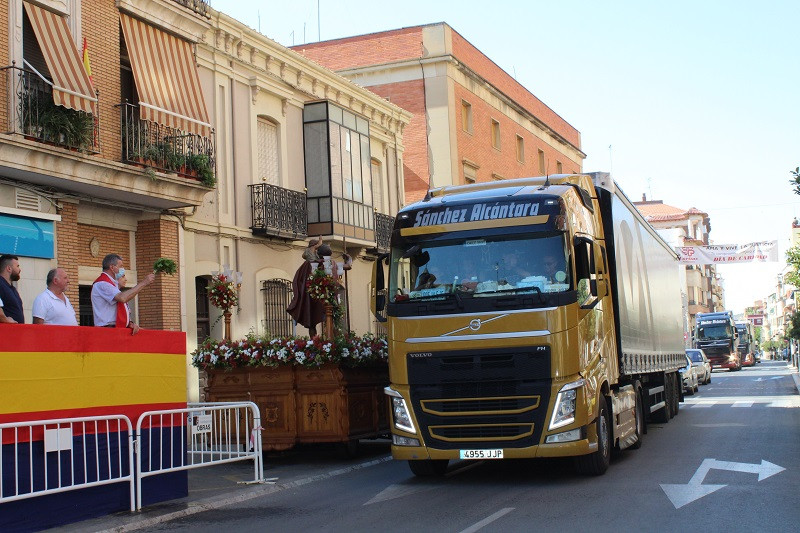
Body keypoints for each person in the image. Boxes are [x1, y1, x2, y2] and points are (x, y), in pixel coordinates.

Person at [91, 253, 154, 334]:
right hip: (107, 330)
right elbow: (122, 298)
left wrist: (129, 323)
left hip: (115, 327)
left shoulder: (112, 284)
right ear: (112, 267)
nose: (123, 269)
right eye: (120, 266)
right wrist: (144, 283)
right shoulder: (102, 283)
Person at [0, 254, 24, 323]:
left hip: (16, 332)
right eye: (17, 266)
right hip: (5, 332)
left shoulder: (12, 289)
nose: (20, 269)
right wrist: (7, 320)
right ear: (9, 268)